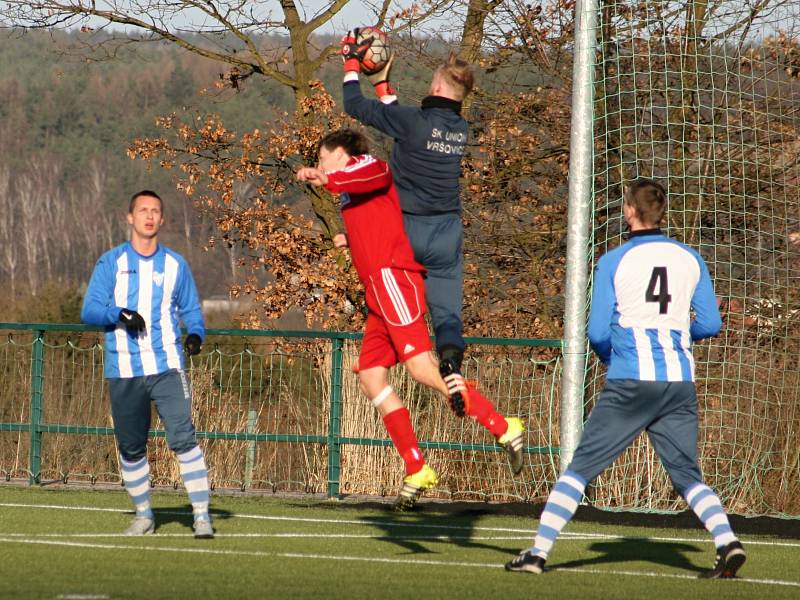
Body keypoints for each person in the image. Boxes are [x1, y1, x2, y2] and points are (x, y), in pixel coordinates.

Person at [505, 179, 746, 578]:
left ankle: (537, 554)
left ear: (629, 211)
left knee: (580, 468)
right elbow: (712, 322)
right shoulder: (690, 258)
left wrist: (609, 358)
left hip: (631, 380)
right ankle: (727, 541)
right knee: (686, 474)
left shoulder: (613, 260)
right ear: (662, 212)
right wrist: (678, 335)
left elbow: (597, 331)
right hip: (679, 382)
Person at [297, 129, 525, 510]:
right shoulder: (350, 187)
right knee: (371, 376)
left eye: (323, 156)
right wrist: (348, 241)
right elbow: (377, 224)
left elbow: (373, 177)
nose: (320, 164)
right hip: (377, 292)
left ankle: (503, 426)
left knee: (421, 369)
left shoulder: (365, 166)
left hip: (393, 280)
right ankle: (416, 468)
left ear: (341, 154)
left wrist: (326, 178)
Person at [340, 31, 473, 417]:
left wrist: (352, 63)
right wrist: (382, 82)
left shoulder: (413, 121)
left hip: (407, 229)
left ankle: (378, 356)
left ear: (434, 85)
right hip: (447, 232)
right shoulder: (460, 132)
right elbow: (410, 124)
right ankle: (450, 361)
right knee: (447, 314)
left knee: (391, 302)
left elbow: (354, 105)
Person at [81, 190, 213, 538]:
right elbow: (89, 310)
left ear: (162, 220)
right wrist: (118, 314)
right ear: (130, 218)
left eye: (155, 211)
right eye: (143, 210)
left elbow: (191, 310)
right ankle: (144, 515)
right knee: (131, 447)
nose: (149, 216)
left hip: (167, 365)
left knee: (184, 436)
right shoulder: (111, 263)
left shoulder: (174, 265)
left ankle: (201, 516)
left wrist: (196, 334)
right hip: (123, 369)